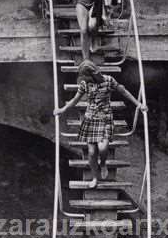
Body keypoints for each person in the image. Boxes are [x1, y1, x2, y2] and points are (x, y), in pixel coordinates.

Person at [54, 60, 148, 188]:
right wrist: (62, 109)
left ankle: (103, 163)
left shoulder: (109, 80)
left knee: (103, 148)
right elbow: (75, 100)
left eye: (87, 78)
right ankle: (94, 177)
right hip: (90, 119)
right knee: (92, 152)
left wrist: (139, 105)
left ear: (93, 75)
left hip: (105, 118)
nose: (85, 81)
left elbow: (124, 91)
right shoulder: (84, 84)